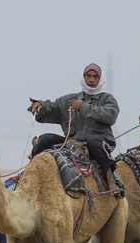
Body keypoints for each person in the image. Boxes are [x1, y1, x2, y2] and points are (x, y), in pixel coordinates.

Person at [29, 63, 122, 196]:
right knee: (45, 138)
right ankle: (29, 173)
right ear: (83, 78)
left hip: (98, 143)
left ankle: (110, 180)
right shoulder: (69, 100)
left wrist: (83, 107)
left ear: (100, 79)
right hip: (72, 144)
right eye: (88, 76)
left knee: (93, 140)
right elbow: (53, 107)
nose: (91, 80)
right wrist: (40, 106)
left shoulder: (107, 99)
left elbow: (111, 115)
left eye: (95, 77)